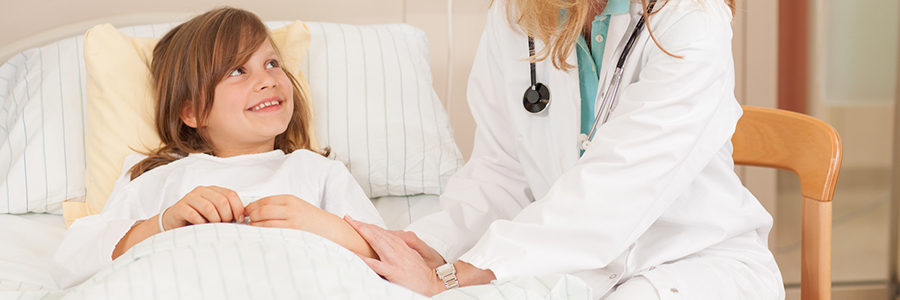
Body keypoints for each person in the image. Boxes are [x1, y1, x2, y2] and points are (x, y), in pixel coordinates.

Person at [345, 0, 785, 299]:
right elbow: (502, 171)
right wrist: (431, 246)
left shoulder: (690, 20)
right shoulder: (518, 12)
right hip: (576, 267)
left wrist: (454, 277)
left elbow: (616, 190)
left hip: (691, 261)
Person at [50, 7, 385, 289]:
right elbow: (70, 264)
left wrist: (320, 225)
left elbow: (396, 259)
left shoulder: (317, 172)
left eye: (271, 63)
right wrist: (164, 222)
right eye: (238, 70)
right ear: (193, 111)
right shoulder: (159, 177)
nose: (267, 79)